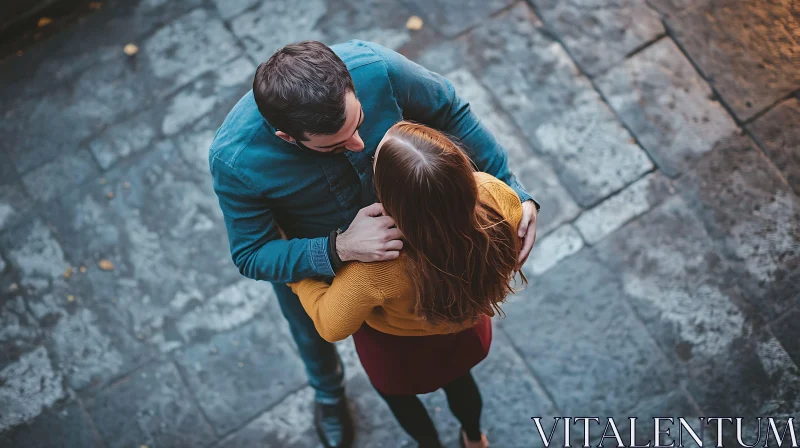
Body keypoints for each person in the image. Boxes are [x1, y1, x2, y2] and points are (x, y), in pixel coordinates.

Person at [209, 40, 539, 448]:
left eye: (361, 122)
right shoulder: (236, 160)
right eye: (333, 146)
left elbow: (449, 108)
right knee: (308, 331)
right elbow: (251, 254)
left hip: (412, 247)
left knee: (335, 327)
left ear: (350, 83)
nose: (360, 146)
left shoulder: (378, 67)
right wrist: (337, 249)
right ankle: (329, 394)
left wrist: (516, 189)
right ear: (287, 137)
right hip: (321, 261)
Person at [288, 121, 525, 448]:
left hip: (398, 356)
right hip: (465, 330)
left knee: (403, 404)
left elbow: (331, 326)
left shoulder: (375, 267)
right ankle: (473, 438)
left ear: (390, 201)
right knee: (462, 384)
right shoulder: (495, 195)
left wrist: (298, 277)